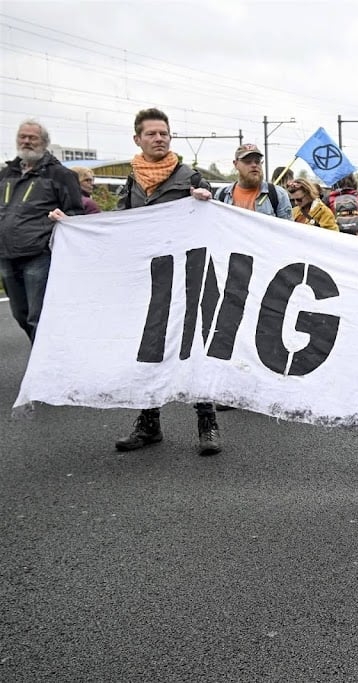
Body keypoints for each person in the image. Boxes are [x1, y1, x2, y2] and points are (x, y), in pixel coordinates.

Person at [58, 108, 222, 455]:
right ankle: (149, 424)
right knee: (148, 350)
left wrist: (206, 201)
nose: (159, 138)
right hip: (147, 279)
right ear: (138, 140)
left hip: (186, 278)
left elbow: (214, 221)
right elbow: (120, 224)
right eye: (152, 134)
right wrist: (74, 227)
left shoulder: (191, 177)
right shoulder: (133, 180)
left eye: (164, 133)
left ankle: (207, 423)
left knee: (192, 348)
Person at [0, 119, 84, 342]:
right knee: (21, 315)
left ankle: (46, 371)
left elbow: (75, 214)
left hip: (39, 255)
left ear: (44, 143)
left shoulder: (61, 175)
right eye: (22, 137)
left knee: (39, 317)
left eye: (32, 138)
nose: (26, 141)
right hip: (7, 255)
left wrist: (62, 222)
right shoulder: (6, 173)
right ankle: (46, 358)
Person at [215, 144, 290, 219]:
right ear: (236, 164)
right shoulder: (222, 195)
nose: (254, 165)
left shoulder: (278, 194)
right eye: (248, 162)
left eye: (257, 161)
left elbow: (287, 229)